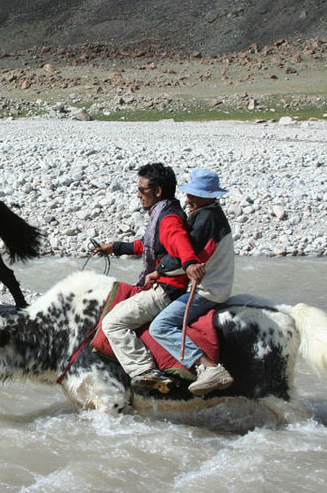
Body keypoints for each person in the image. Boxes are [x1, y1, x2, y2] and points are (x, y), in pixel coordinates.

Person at [92, 163, 203, 395]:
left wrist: (190, 261)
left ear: (158, 191)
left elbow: (179, 242)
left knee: (113, 323)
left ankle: (145, 371)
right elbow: (147, 246)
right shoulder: (161, 214)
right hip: (164, 285)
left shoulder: (169, 218)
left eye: (142, 190)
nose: (138, 194)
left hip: (166, 290)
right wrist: (114, 247)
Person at [147, 168, 235, 396]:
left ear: (209, 196)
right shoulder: (212, 214)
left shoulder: (207, 219)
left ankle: (208, 367)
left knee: (160, 326)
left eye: (194, 196)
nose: (188, 200)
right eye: (189, 194)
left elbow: (190, 258)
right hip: (220, 286)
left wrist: (159, 270)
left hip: (208, 291)